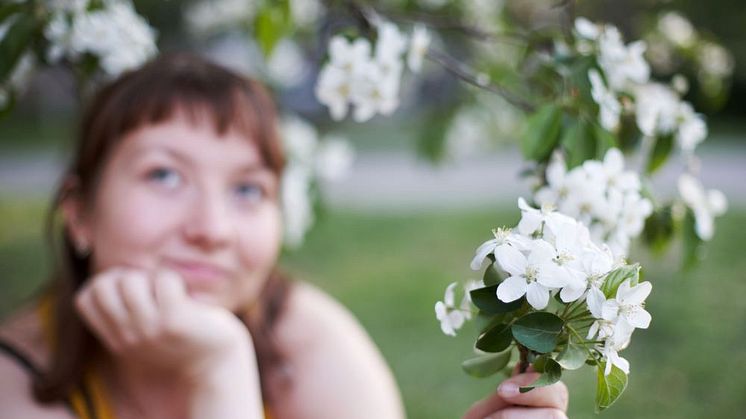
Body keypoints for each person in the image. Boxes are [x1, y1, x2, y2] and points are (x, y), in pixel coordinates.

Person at [0, 54, 568, 419]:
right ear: (79, 213)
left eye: (248, 190)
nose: (212, 230)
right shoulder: (15, 381)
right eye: (164, 175)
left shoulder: (306, 339)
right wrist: (216, 371)